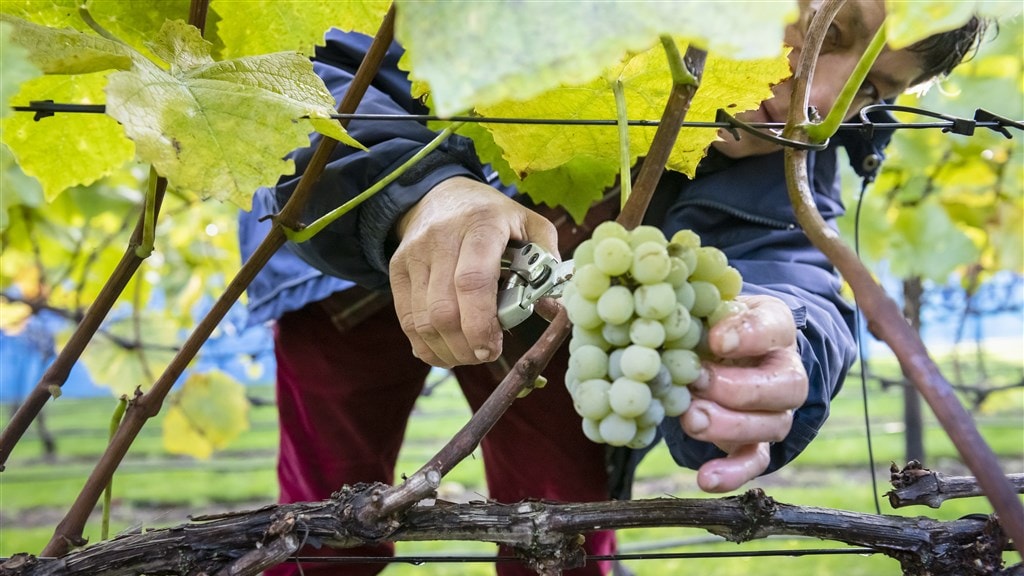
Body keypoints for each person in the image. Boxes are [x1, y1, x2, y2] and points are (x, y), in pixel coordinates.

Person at [242, 3, 986, 575]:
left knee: (560, 533)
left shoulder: (794, 156)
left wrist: (784, 335)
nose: (822, 97)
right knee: (322, 520)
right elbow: (314, 70)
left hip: (555, 317)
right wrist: (416, 191)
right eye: (829, 29)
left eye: (873, 89)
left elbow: (789, 263)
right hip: (347, 275)